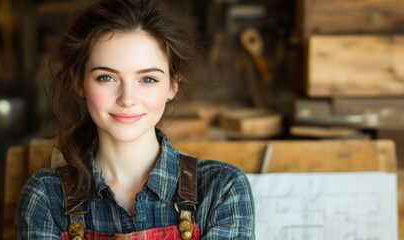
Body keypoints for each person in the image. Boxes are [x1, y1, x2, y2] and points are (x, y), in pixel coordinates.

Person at [16, 0, 255, 239]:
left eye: (148, 79)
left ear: (173, 85)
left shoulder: (222, 188)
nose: (127, 99)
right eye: (107, 78)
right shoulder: (47, 195)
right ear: (79, 81)